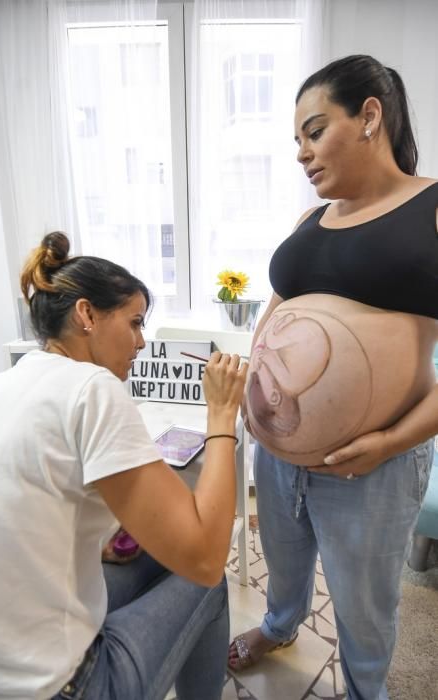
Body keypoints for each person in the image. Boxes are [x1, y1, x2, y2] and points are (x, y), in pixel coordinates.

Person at [228, 54, 438, 700]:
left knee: (361, 602)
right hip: (278, 451)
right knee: (285, 566)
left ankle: (364, 689)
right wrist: (249, 383)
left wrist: (389, 441)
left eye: (313, 131)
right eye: (295, 139)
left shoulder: (430, 208)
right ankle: (280, 624)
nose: (300, 153)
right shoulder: (308, 221)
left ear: (369, 115)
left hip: (371, 462)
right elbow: (278, 311)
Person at [0, 231, 248, 699]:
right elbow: (204, 556)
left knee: (153, 554)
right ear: (86, 314)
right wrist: (221, 415)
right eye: (135, 323)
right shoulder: (93, 389)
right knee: (209, 582)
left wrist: (97, 542)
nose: (141, 342)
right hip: (62, 688)